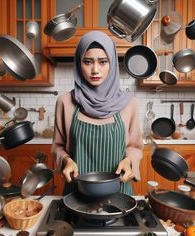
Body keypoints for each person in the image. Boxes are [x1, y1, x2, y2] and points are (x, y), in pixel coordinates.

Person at [51, 30, 143, 195]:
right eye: (87, 62)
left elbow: (135, 148)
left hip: (118, 194)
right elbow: (57, 147)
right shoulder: (65, 102)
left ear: (112, 63)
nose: (95, 70)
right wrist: (66, 160)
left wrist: (129, 161)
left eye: (102, 62)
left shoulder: (130, 104)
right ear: (79, 64)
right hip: (77, 194)